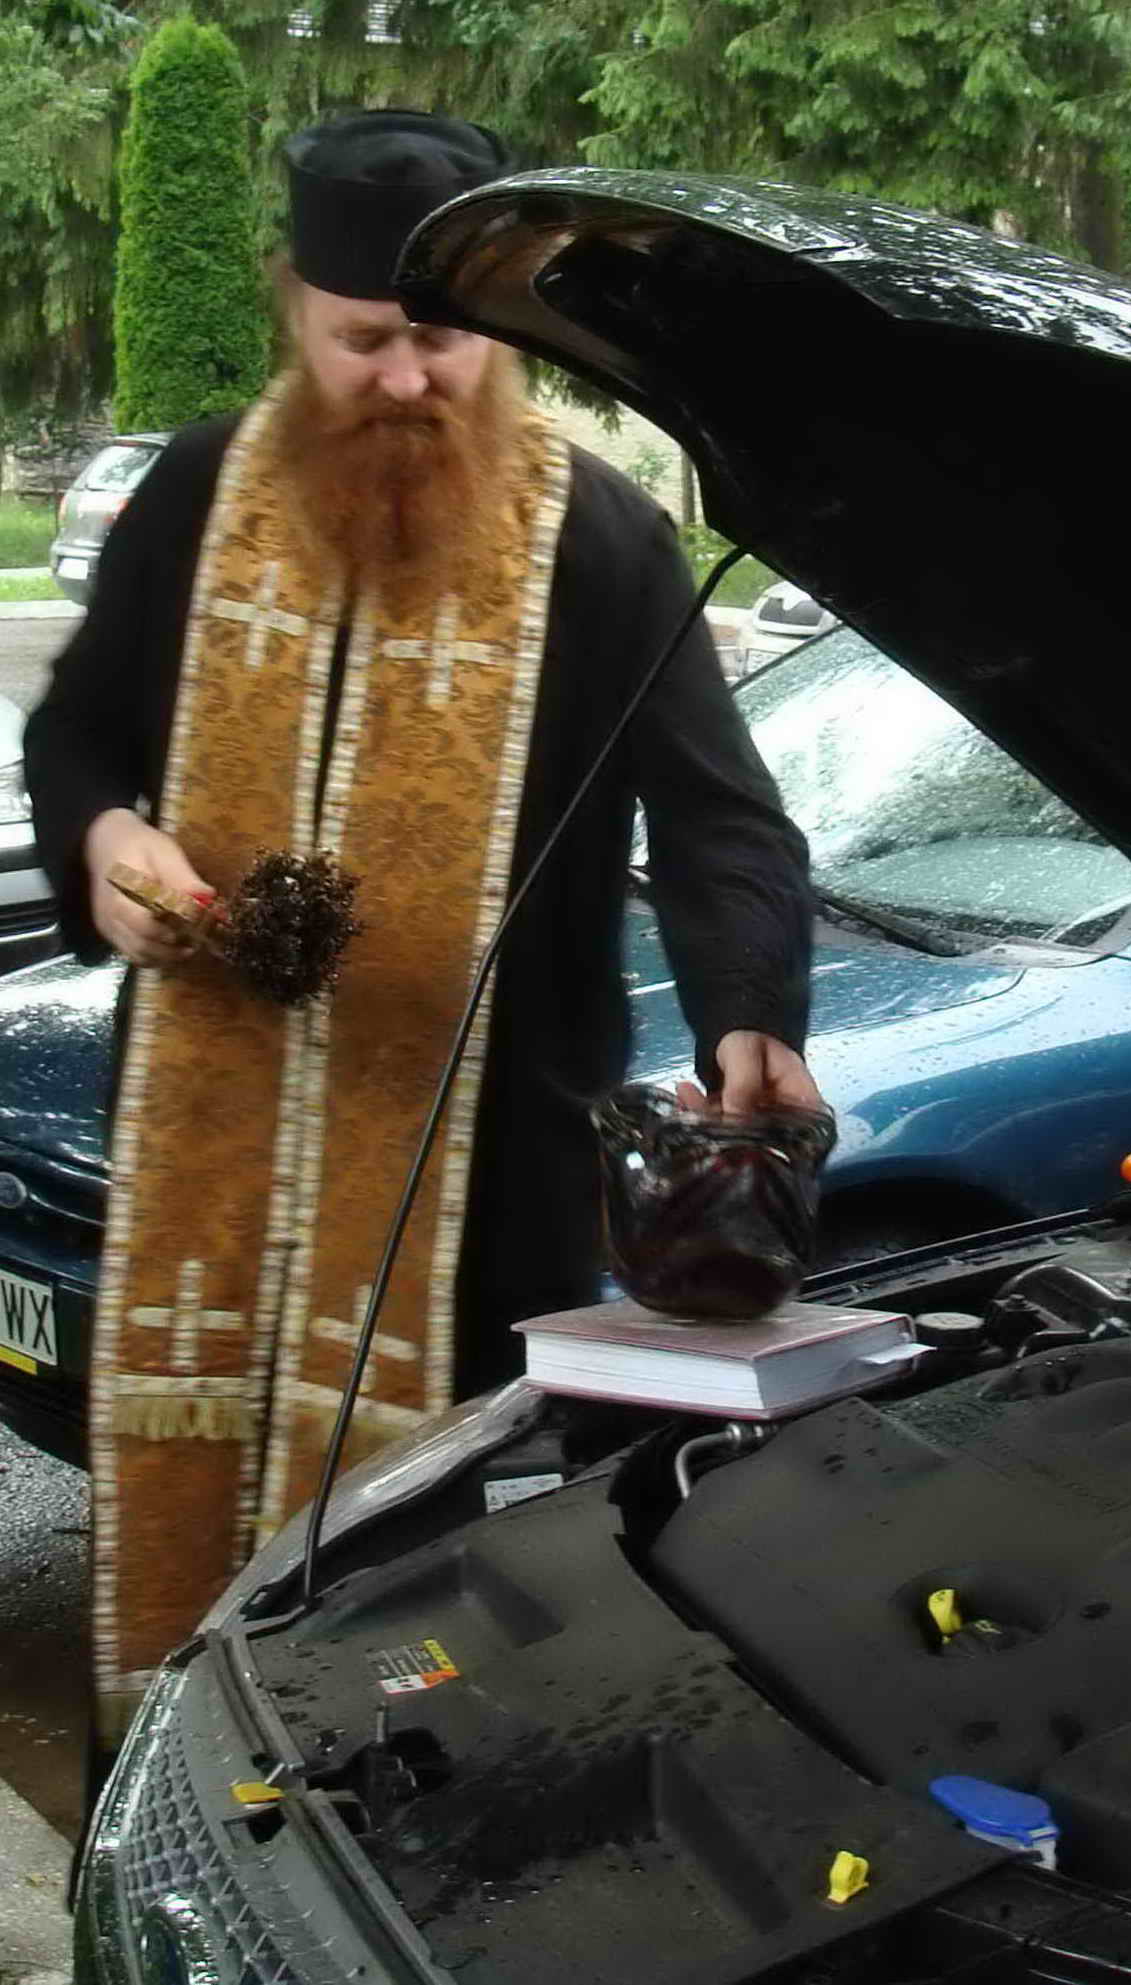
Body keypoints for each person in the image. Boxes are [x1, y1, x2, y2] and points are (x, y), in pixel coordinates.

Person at [23, 109, 820, 1747]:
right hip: (209, 1155)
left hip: (479, 1180)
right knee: (188, 1560)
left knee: (425, 1614)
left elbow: (722, 819)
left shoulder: (597, 538)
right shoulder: (200, 494)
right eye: (361, 341)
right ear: (293, 311)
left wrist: (750, 1012)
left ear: (501, 325)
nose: (403, 379)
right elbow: (77, 732)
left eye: (440, 340)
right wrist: (106, 839)